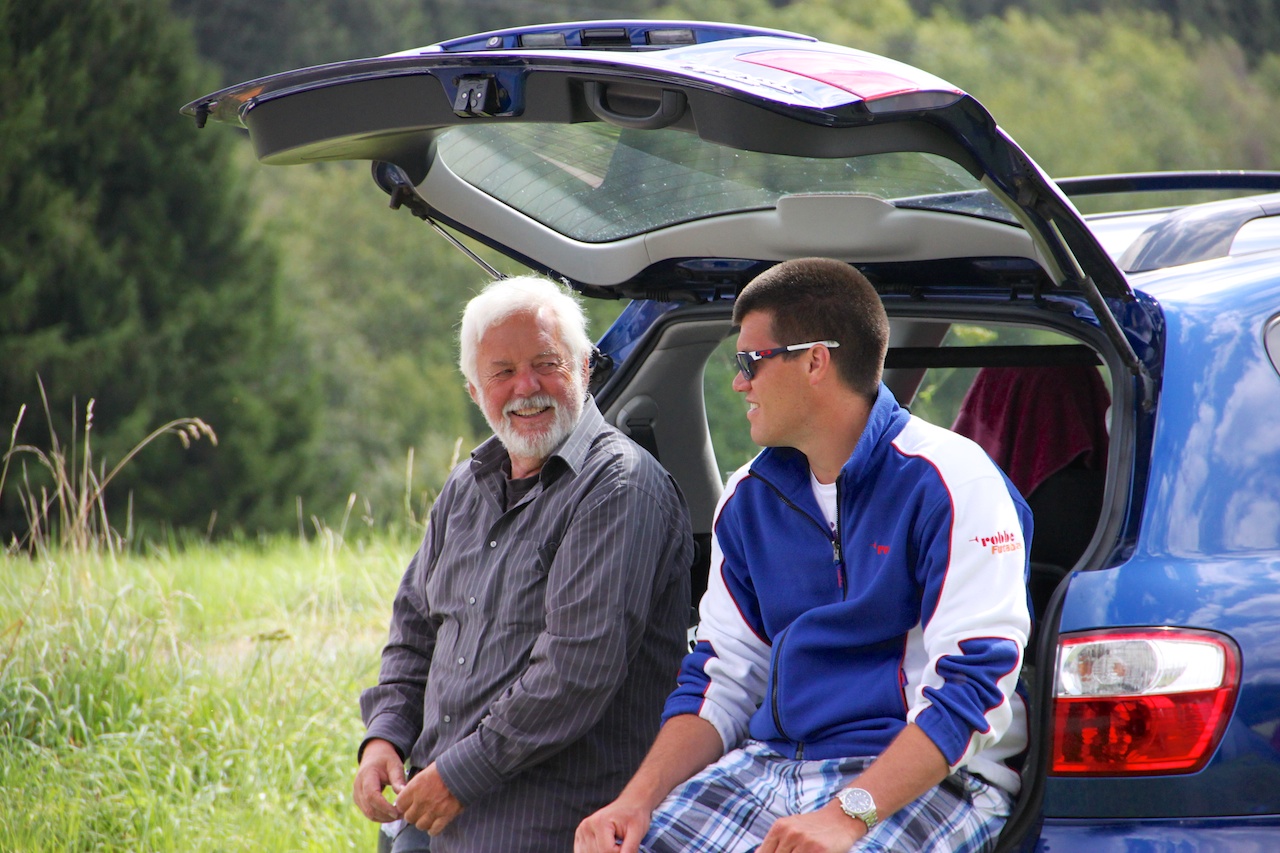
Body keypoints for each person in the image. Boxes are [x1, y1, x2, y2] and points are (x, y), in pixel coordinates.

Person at [576, 257, 1033, 853]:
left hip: (931, 777)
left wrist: (846, 816)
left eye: (749, 362)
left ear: (816, 360)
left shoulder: (954, 482)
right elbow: (722, 678)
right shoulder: (747, 498)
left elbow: (973, 688)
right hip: (770, 765)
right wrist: (634, 802)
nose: (739, 383)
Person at [354, 275, 694, 853]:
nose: (527, 387)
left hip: (548, 819)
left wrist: (458, 776)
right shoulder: (467, 485)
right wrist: (385, 736)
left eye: (546, 364)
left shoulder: (619, 486)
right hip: (430, 805)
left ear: (583, 368)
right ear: (474, 389)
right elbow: (414, 628)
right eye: (503, 372)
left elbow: (576, 671)